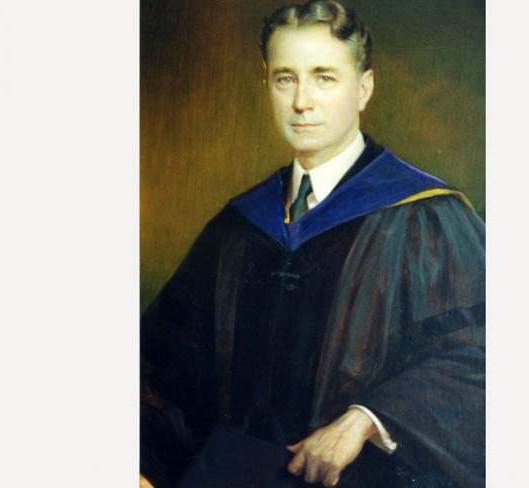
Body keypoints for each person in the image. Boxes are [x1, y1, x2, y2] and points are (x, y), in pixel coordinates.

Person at [140, 1, 485, 487]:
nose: (302, 102)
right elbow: (160, 366)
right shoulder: (237, 227)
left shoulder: (426, 219)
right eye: (286, 79)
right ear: (267, 85)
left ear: (363, 89)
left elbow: (482, 358)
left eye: (324, 78)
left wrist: (370, 419)